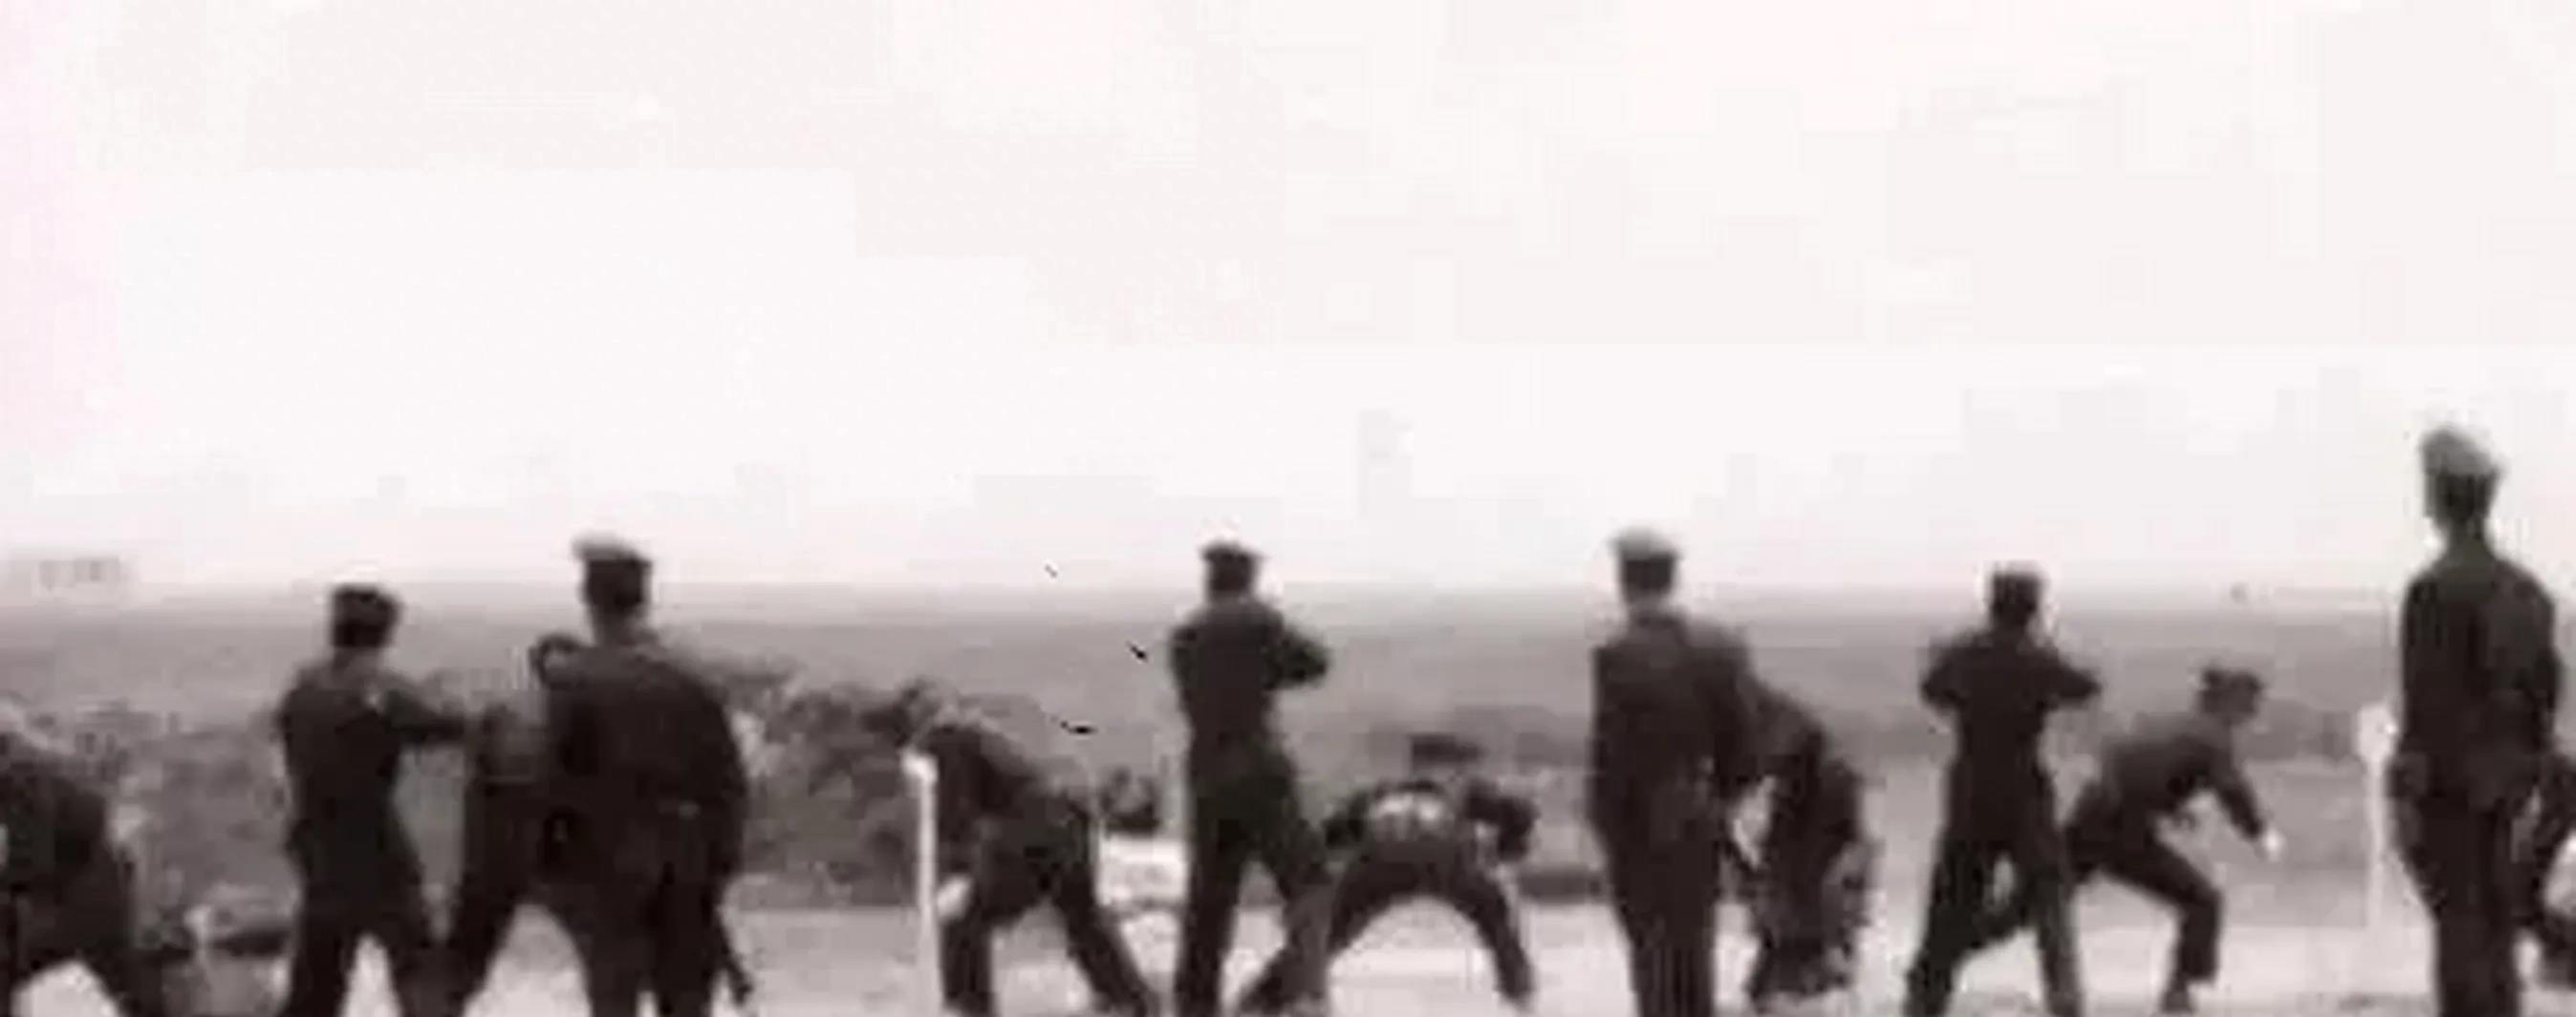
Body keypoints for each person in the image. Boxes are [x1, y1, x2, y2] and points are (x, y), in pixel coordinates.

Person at [1963, 665, 2284, 1014]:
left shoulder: (2173, 724)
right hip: (2123, 830)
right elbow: (2233, 792)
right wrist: (2261, 834)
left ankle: (1948, 953)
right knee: (2203, 901)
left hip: (2091, 818)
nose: (2252, 714)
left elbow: (2121, 760)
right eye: (2251, 705)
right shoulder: (2213, 737)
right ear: (2232, 703)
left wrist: (2166, 808)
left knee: (2030, 904)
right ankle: (2178, 994)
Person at [2390, 426, 2563, 1017]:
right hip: (2510, 783)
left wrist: (2405, 795)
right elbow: (2547, 690)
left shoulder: (2433, 591)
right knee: (2496, 920)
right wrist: (2529, 768)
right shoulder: (2528, 591)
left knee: (2459, 927)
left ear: (2436, 497)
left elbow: (2426, 707)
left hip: (2451, 786)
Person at [860, 679, 1158, 1017]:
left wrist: (959, 874)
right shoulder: (970, 732)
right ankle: (1132, 1002)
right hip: (1070, 822)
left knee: (963, 918)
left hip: (1036, 829)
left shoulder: (942, 740)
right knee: (1083, 919)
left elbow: (955, 812)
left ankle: (970, 1009)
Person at [541, 537, 750, 1017]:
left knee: (614, 999)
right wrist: (717, 864)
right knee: (685, 999)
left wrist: (551, 870)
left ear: (589, 603)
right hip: (688, 861)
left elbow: (552, 783)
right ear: (644, 601)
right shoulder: (690, 678)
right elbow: (727, 782)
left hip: (606, 863)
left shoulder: (573, 680)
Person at [1902, 566, 2100, 1017]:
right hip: (2023, 787)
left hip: (1970, 785)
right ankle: (2065, 1000)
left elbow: (1932, 690)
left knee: (1951, 899)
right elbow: (2085, 687)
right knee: (2049, 895)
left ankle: (1924, 999)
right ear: (2033, 608)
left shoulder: (1966, 653)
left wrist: (1951, 661)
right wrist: (2046, 657)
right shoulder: (2037, 658)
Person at [1588, 528, 1764, 1017]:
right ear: (1673, 579)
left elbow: (1611, 755)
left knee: (1651, 953)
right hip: (1701, 816)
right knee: (1695, 949)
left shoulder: (1618, 654)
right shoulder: (1722, 647)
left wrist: (1606, 824)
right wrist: (1717, 802)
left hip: (1640, 825)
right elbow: (1746, 753)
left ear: (1624, 583)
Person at [1236, 732, 1539, 1014]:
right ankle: (1520, 990)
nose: (1464, 773)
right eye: (1458, 766)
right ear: (1446, 768)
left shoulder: (1382, 793)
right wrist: (1503, 854)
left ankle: (1264, 997)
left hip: (1381, 856)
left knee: (1331, 930)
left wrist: (1310, 884)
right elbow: (1520, 813)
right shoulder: (1467, 792)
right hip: (1442, 855)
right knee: (1494, 913)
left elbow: (1333, 834)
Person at [272, 584, 468, 1017]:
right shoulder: (380, 691)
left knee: (316, 985)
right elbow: (446, 726)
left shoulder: (303, 688)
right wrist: (446, 698)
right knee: (418, 974)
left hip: (318, 851)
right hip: (376, 852)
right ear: (384, 637)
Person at [1165, 540, 1335, 1017]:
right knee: (1308, 881)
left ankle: (1194, 1004)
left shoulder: (1186, 634)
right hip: (1259, 769)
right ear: (1248, 580)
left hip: (1206, 775)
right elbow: (1315, 663)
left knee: (1209, 898)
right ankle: (1303, 995)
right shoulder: (1258, 622)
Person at [0, 722, 172, 1017]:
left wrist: (8, 884)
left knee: (120, 974)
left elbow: (32, 862)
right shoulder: (26, 779)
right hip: (84, 882)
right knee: (123, 974)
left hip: (87, 887)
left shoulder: (23, 784)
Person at [1728, 682, 1878, 1014]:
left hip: (1802, 897)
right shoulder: (1826, 775)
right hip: (1810, 892)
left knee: (1785, 951)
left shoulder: (1807, 778)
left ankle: (1796, 978)